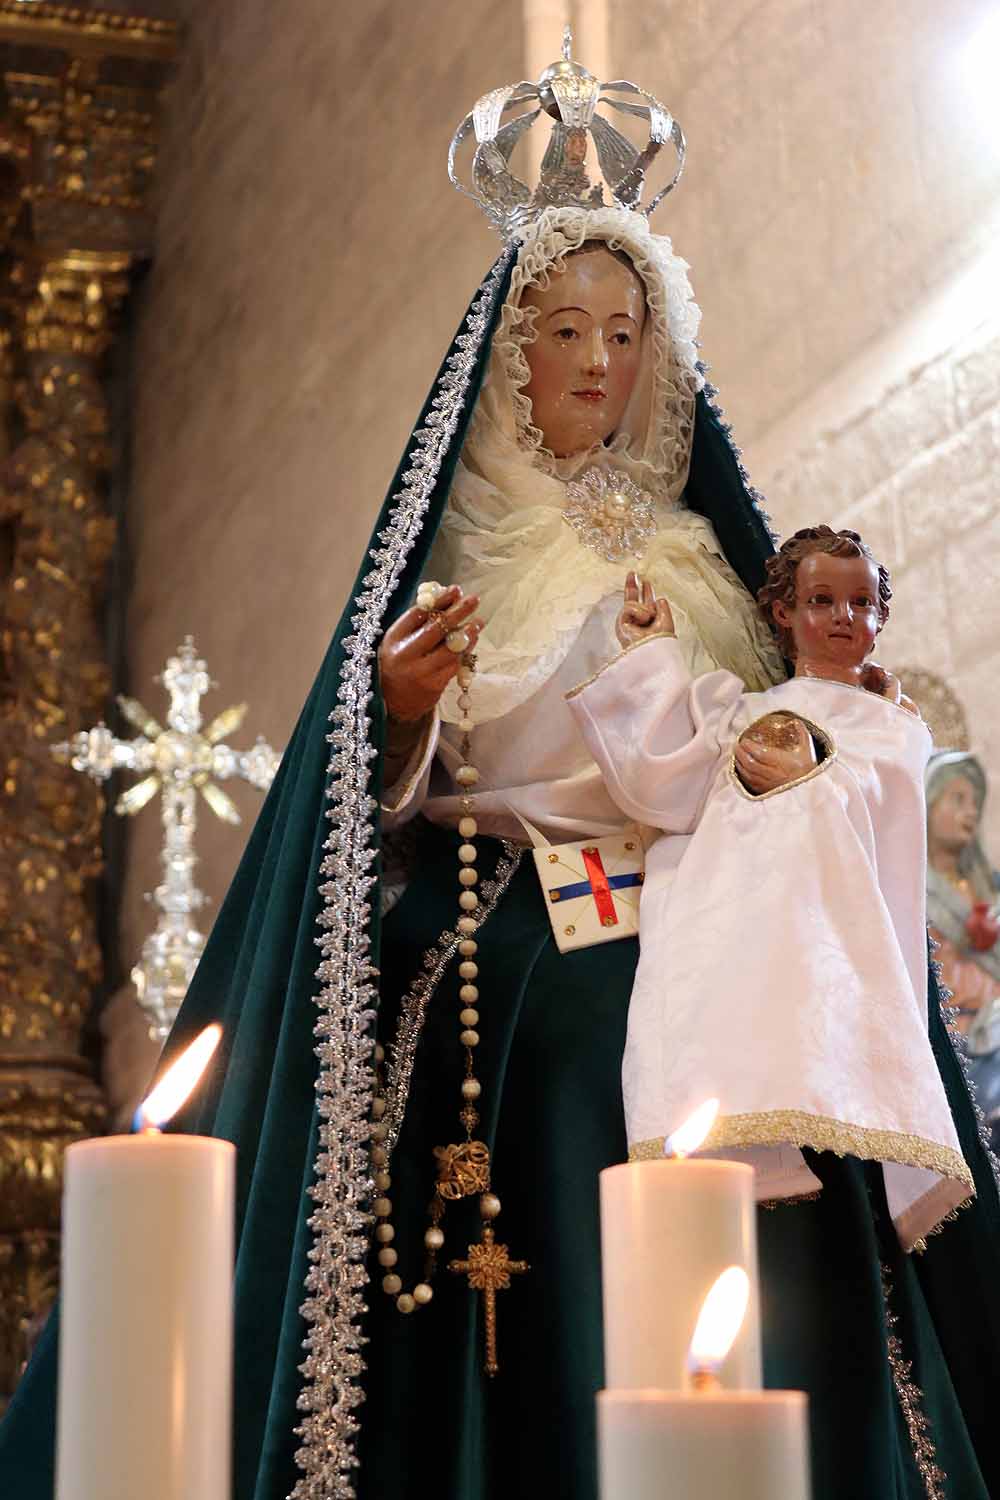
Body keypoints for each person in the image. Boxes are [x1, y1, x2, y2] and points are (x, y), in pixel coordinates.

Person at [4, 40, 1000, 1500]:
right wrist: (399, 714)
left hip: (712, 892)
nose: (600, 361)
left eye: (626, 333)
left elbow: (790, 726)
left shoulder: (710, 554)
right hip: (528, 904)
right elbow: (382, 794)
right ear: (510, 355)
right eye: (568, 330)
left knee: (818, 1034)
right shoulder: (458, 543)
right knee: (589, 1036)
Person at [569, 528, 973, 1252]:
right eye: (821, 600)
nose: (843, 618)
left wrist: (815, 780)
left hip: (830, 938)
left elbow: (890, 823)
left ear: (881, 619)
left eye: (861, 603)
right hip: (730, 924)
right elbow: (668, 782)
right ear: (783, 613)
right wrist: (652, 652)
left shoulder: (896, 728)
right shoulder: (744, 709)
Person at [927, 751, 1000, 1137]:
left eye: (975, 803)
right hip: (947, 1039)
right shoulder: (910, 888)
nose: (970, 812)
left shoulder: (991, 888)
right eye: (958, 799)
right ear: (927, 800)